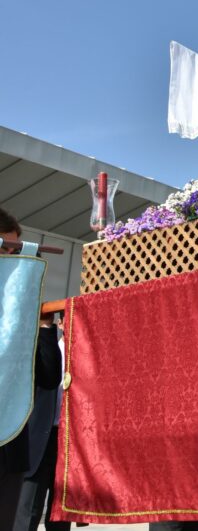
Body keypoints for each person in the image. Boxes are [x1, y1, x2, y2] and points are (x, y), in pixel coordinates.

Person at [0, 208, 63, 530]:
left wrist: (43, 327)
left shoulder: (20, 314)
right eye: (5, 251)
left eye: (16, 251)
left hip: (10, 447)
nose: (13, 261)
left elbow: (49, 377)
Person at [13, 312, 69, 531]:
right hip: (39, 438)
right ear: (62, 323)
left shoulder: (86, 358)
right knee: (28, 509)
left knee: (61, 513)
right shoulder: (46, 348)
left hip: (67, 442)